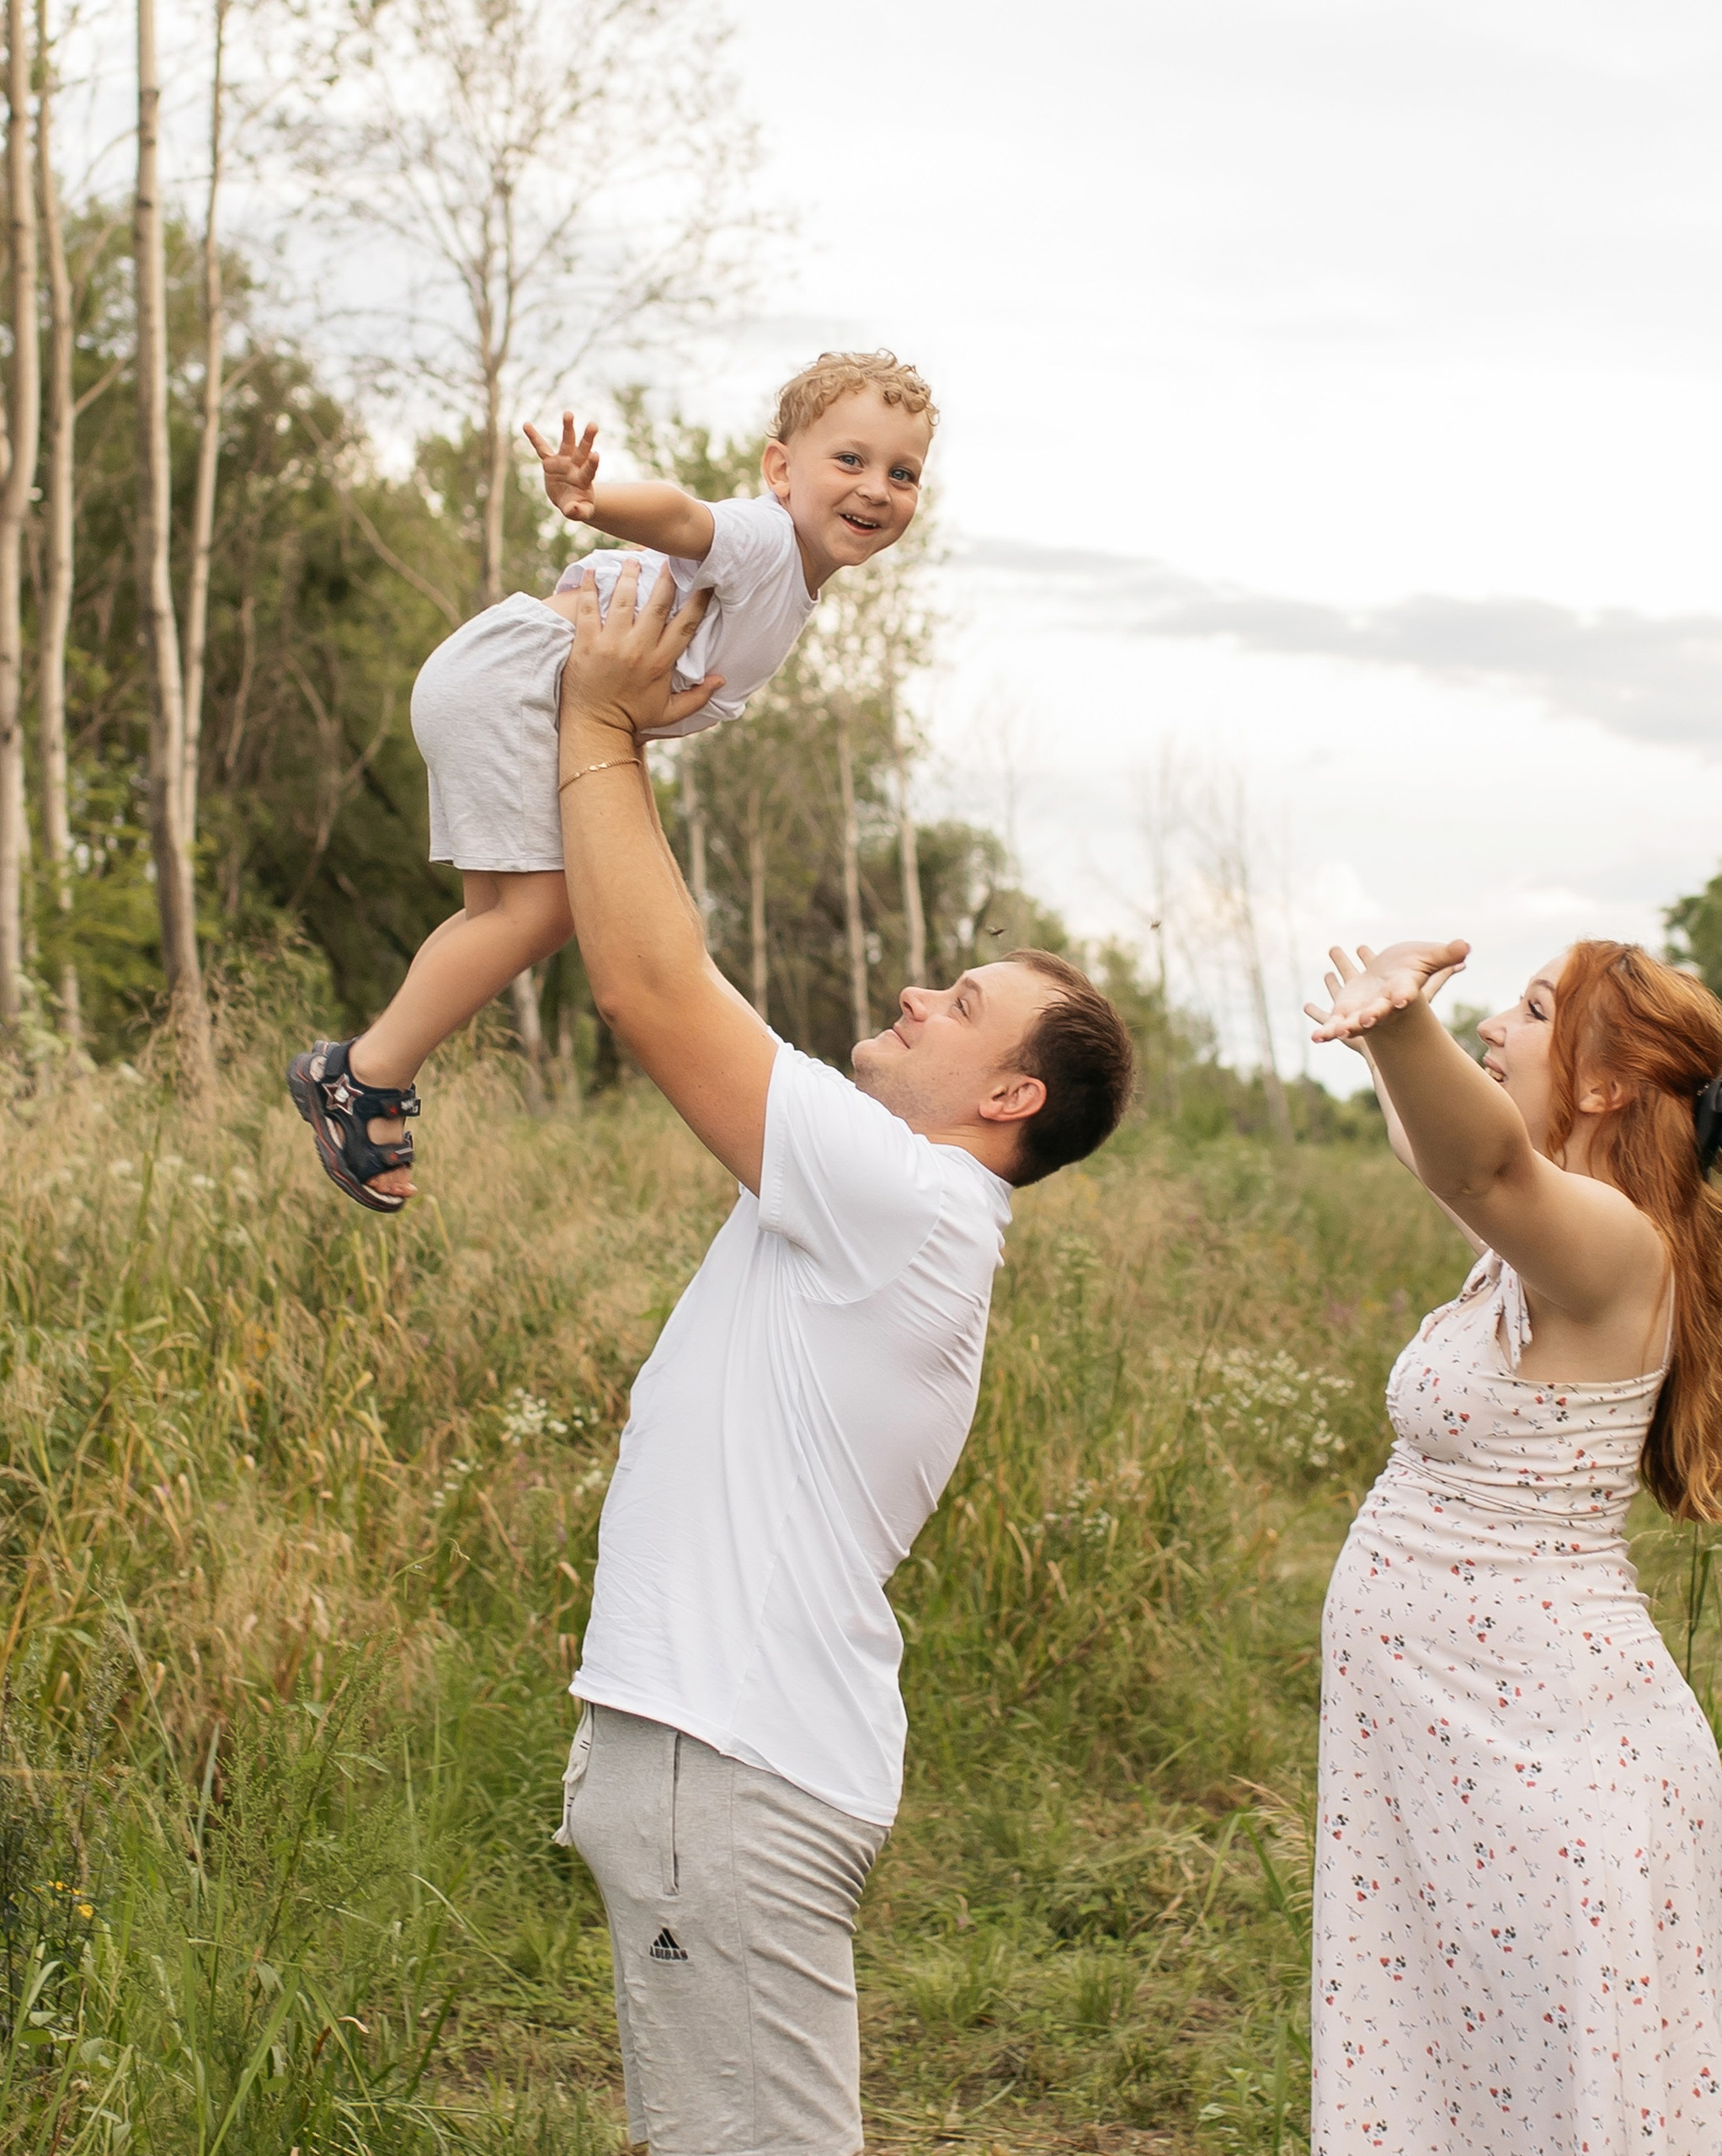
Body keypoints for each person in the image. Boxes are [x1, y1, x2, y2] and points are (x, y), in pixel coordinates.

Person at [536, 559, 1136, 2156]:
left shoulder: (913, 1202)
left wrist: (601, 720)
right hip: (714, 1761)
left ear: (1009, 1098)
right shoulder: (879, 1203)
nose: (917, 993)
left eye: (962, 1002)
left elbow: (651, 987)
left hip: (728, 1765)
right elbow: (667, 963)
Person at [1303, 935, 1722, 2155]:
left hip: (1550, 1767)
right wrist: (1381, 1038)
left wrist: (1402, 1022)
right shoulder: (1535, 1241)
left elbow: (1479, 1162)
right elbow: (1439, 1152)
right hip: (1471, 1749)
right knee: (1466, 2086)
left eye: (1529, 1011)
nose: (1495, 1028)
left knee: (1540, 2106)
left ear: (1605, 1083)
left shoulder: (1614, 1243)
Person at [287, 350, 936, 1211]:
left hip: (503, 677)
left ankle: (363, 1072)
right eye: (850, 460)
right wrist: (594, 502)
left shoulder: (789, 583)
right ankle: (363, 1075)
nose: (876, 489)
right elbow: (684, 517)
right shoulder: (765, 543)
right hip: (518, 683)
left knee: (498, 917)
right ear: (781, 470)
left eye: (902, 473)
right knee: (542, 912)